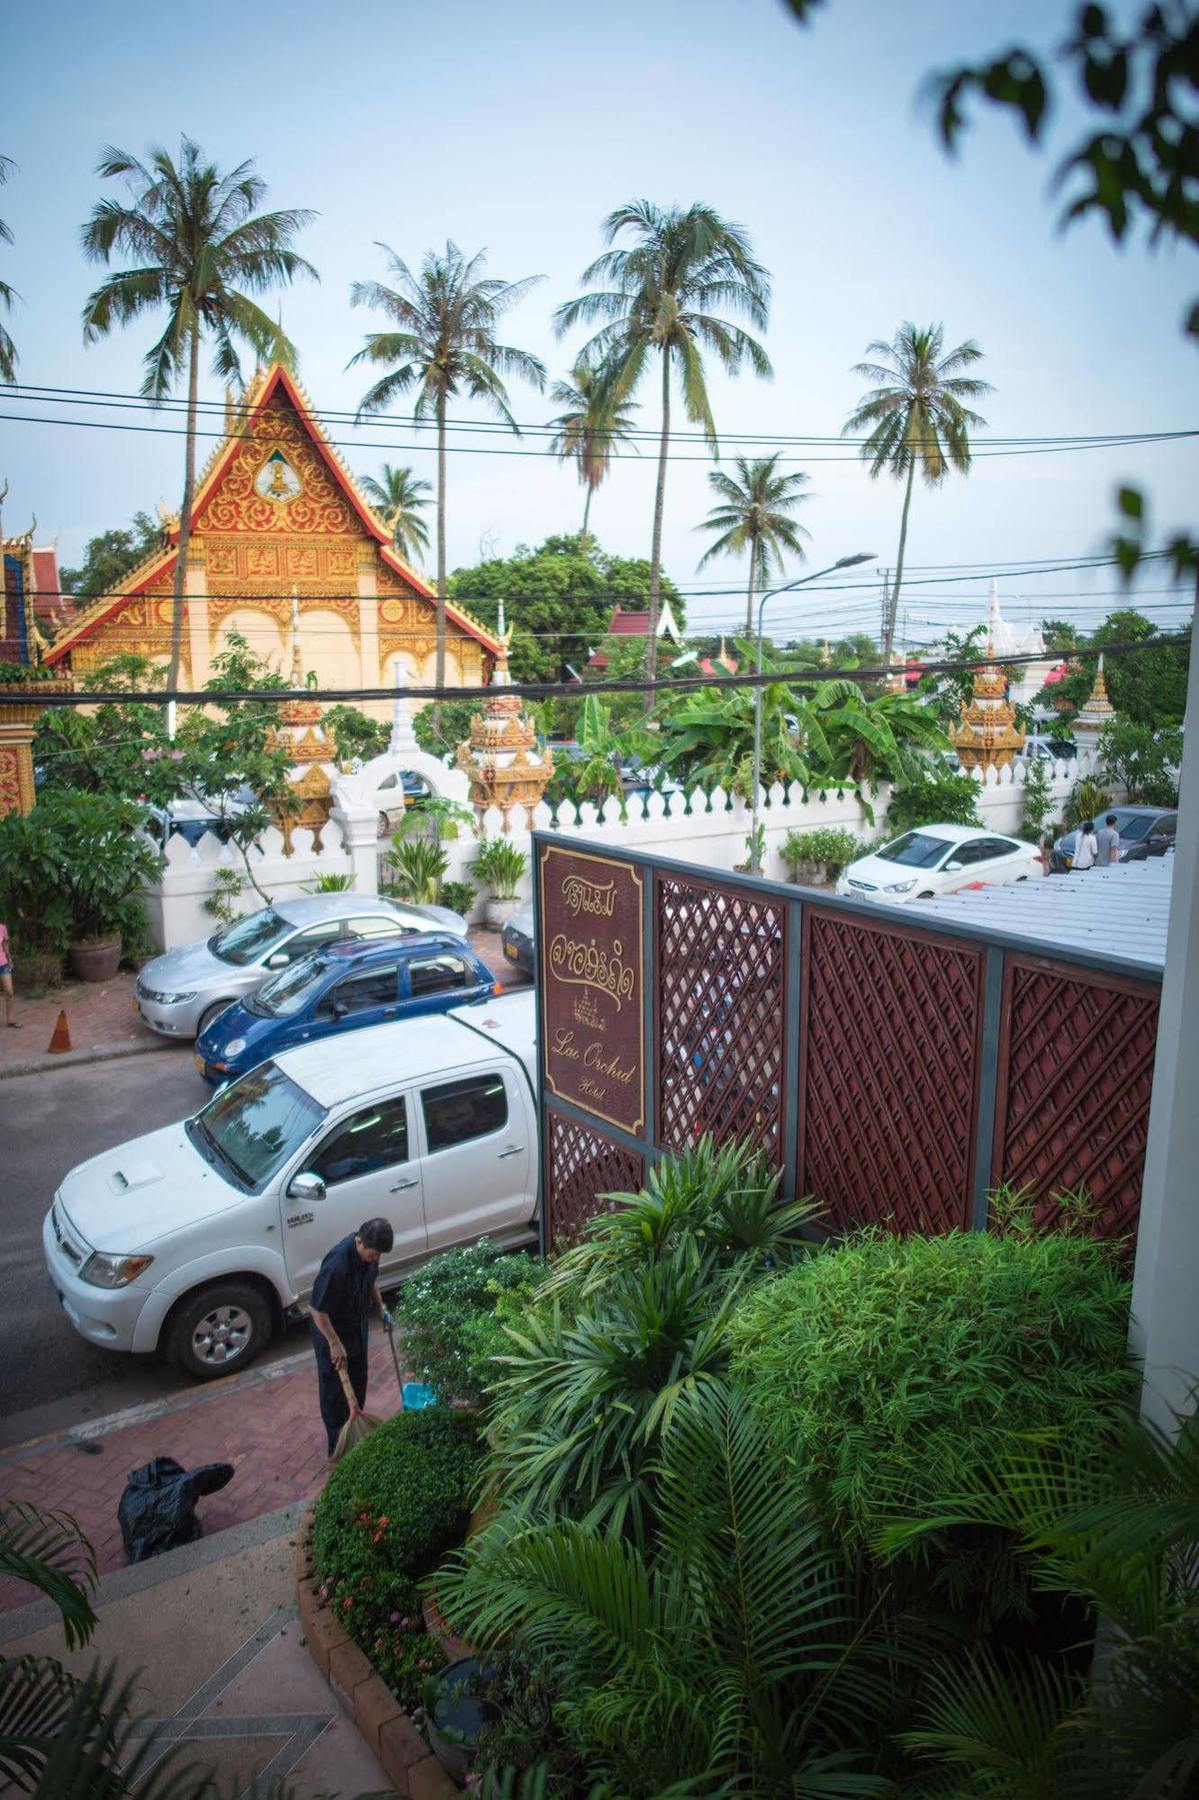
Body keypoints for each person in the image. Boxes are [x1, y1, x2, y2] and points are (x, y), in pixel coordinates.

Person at [308, 1218, 395, 1456]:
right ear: (359, 1241)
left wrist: (381, 1309)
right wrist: (334, 1343)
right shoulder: (337, 1267)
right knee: (335, 1391)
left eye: (379, 1255)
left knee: (359, 1377)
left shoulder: (370, 1253)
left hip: (356, 1324)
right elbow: (316, 1310)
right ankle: (338, 1445)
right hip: (331, 1330)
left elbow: (371, 1281)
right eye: (373, 1254)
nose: (376, 1259)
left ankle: (356, 1428)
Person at [0, 921, 18, 1028]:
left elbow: (5, 945)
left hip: (3, 964)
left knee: (9, 991)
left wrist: (10, 959)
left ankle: (10, 1020)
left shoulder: (2, 928)